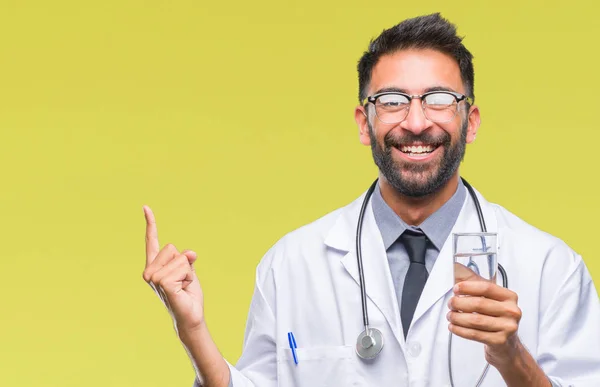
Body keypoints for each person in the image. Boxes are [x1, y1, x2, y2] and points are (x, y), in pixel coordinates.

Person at [142, 13, 600, 387]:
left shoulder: (551, 269)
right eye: (393, 100)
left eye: (439, 99)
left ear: (472, 121)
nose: (417, 122)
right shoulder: (291, 264)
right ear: (365, 123)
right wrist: (194, 333)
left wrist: (511, 356)